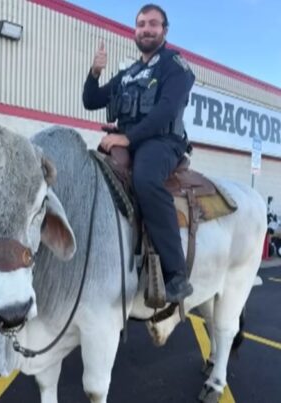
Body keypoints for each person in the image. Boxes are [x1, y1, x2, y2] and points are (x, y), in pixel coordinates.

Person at [81, 4, 196, 303]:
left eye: (153, 24)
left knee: (145, 180)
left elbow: (165, 111)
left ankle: (176, 275)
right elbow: (91, 100)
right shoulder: (130, 72)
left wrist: (127, 137)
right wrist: (95, 71)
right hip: (129, 139)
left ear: (164, 31)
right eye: (141, 24)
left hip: (162, 142)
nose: (146, 29)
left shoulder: (175, 66)